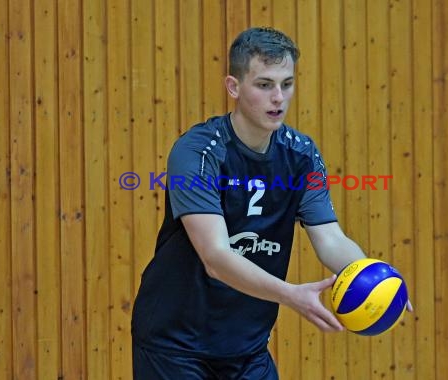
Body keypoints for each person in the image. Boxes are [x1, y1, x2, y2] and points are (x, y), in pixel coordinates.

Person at [132, 27, 403, 379]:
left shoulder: (301, 154)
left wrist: (378, 278)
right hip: (175, 346)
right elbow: (215, 257)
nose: (278, 97)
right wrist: (290, 294)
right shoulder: (198, 153)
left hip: (246, 346)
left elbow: (330, 238)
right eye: (264, 85)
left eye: (286, 84)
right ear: (234, 87)